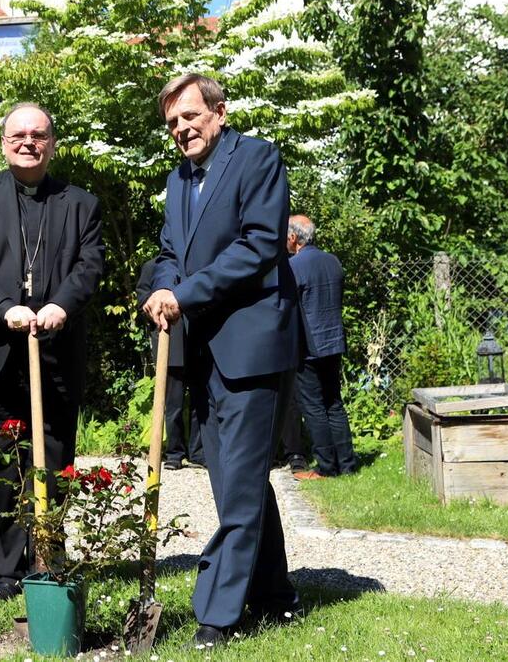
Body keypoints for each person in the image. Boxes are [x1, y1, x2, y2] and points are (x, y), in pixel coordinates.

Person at [142, 73, 301, 648]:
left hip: (252, 348)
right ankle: (276, 596)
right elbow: (169, 252)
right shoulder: (178, 179)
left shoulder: (257, 159)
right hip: (203, 349)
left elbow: (259, 245)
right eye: (173, 122)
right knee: (236, 479)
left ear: (219, 112)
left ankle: (217, 612)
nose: (182, 128)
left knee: (238, 482)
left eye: (190, 115)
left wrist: (184, 293)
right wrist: (163, 287)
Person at [0, 103, 104, 600]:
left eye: (38, 135)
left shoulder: (81, 203)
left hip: (56, 353)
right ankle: (6, 569)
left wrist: (61, 305)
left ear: (52, 144)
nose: (28, 143)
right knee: (0, 466)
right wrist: (3, 308)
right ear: (3, 143)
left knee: (54, 461)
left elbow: (89, 265)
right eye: (18, 135)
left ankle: (48, 557)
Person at [287, 214, 359, 477]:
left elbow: (288, 307)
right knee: (334, 403)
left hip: (308, 346)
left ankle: (326, 467)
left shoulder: (293, 266)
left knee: (314, 407)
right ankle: (347, 464)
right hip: (334, 342)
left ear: (293, 237)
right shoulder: (333, 261)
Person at [135, 259, 204, 470]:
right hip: (170, 343)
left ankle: (198, 452)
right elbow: (143, 300)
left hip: (197, 342)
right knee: (173, 404)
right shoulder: (152, 267)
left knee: (200, 402)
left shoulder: (193, 262)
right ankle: (175, 453)